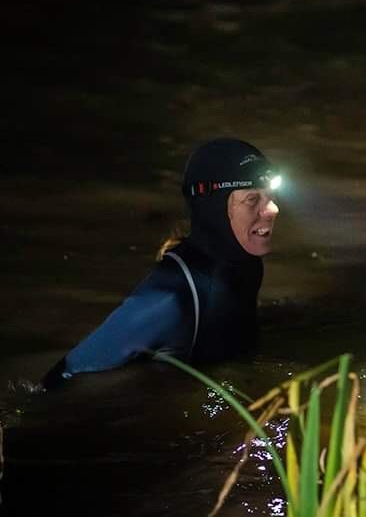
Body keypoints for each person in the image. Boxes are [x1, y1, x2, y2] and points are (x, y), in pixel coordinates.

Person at [41, 138, 282, 389]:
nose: (272, 209)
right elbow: (64, 376)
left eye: (271, 196)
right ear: (214, 209)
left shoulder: (247, 267)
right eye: (253, 200)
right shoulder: (172, 298)